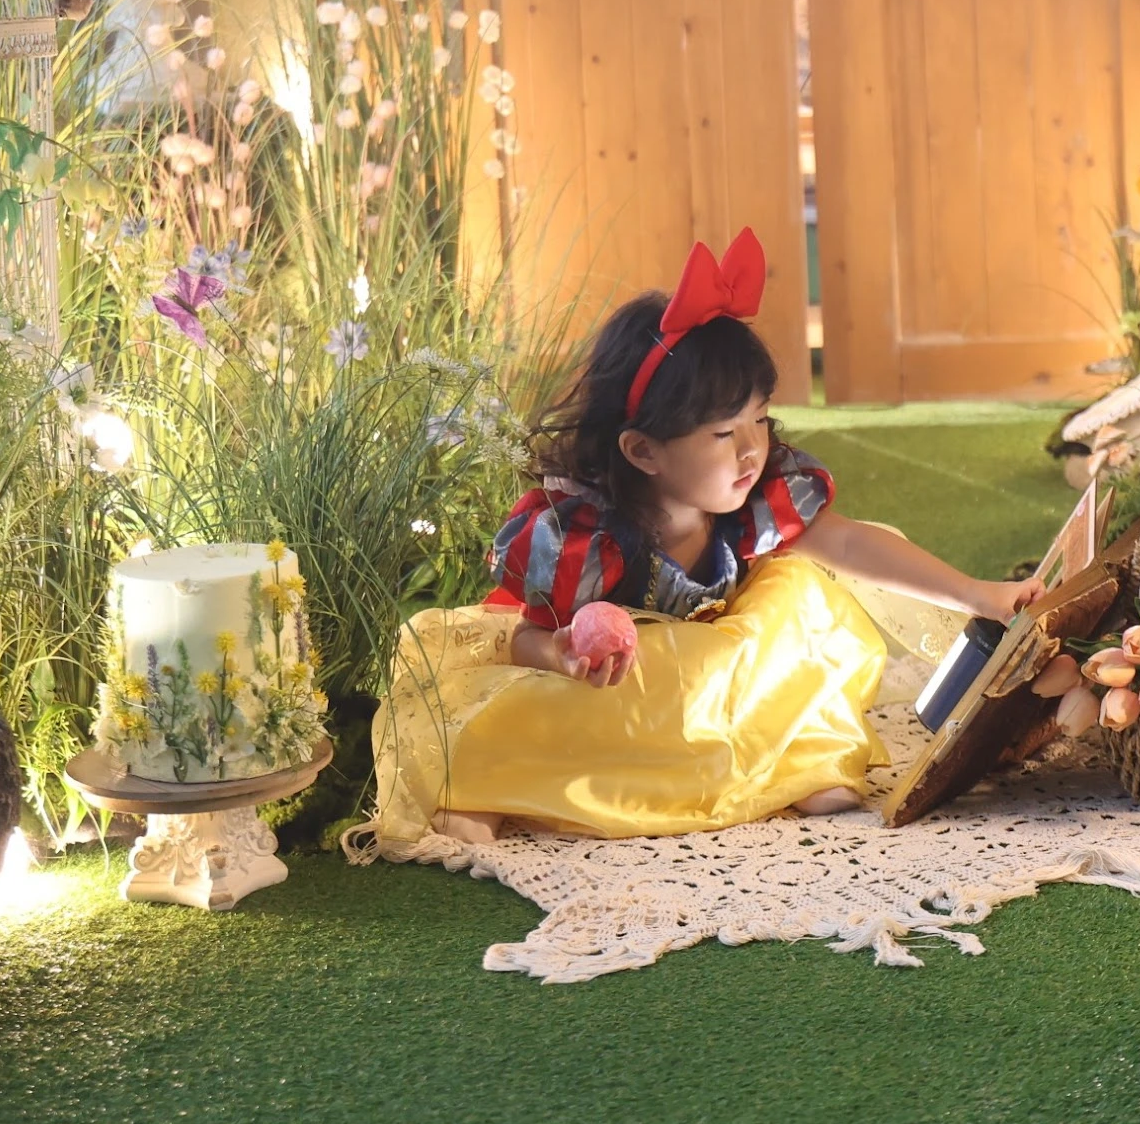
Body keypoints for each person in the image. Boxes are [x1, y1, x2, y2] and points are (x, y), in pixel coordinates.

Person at [365, 228, 1042, 851]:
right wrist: (563, 657)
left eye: (760, 420)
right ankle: (481, 784)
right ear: (643, 451)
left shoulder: (755, 495)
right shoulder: (586, 537)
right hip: (626, 690)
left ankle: (799, 757)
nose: (751, 450)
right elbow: (524, 639)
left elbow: (852, 546)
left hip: (721, 671)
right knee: (528, 712)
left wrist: (976, 593)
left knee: (801, 602)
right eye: (722, 433)